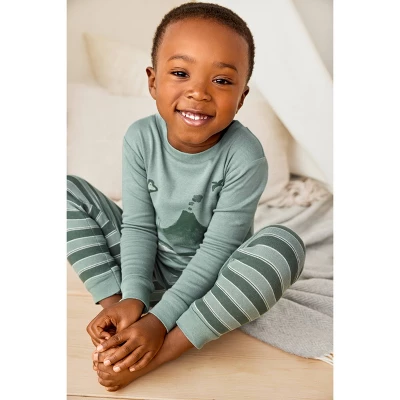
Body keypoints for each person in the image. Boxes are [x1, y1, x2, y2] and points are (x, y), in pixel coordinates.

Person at [67, 2, 306, 392]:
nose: (199, 92)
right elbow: (138, 226)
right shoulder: (140, 138)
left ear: (242, 97)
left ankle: (159, 350)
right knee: (63, 191)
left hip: (216, 284)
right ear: (153, 81)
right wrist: (133, 297)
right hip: (145, 269)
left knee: (284, 245)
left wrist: (160, 321)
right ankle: (122, 323)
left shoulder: (245, 155)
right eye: (180, 73)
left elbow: (217, 252)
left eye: (222, 81)